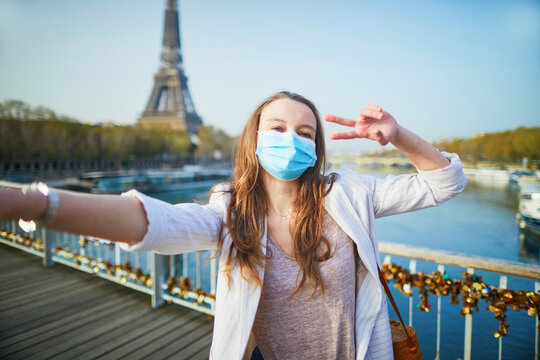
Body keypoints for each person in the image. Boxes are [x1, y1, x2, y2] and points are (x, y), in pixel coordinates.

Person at [0, 91, 467, 360]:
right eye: (278, 127)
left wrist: (398, 134)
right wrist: (37, 202)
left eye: (306, 133)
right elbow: (155, 222)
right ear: (255, 139)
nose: (293, 138)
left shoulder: (347, 194)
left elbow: (444, 182)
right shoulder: (230, 210)